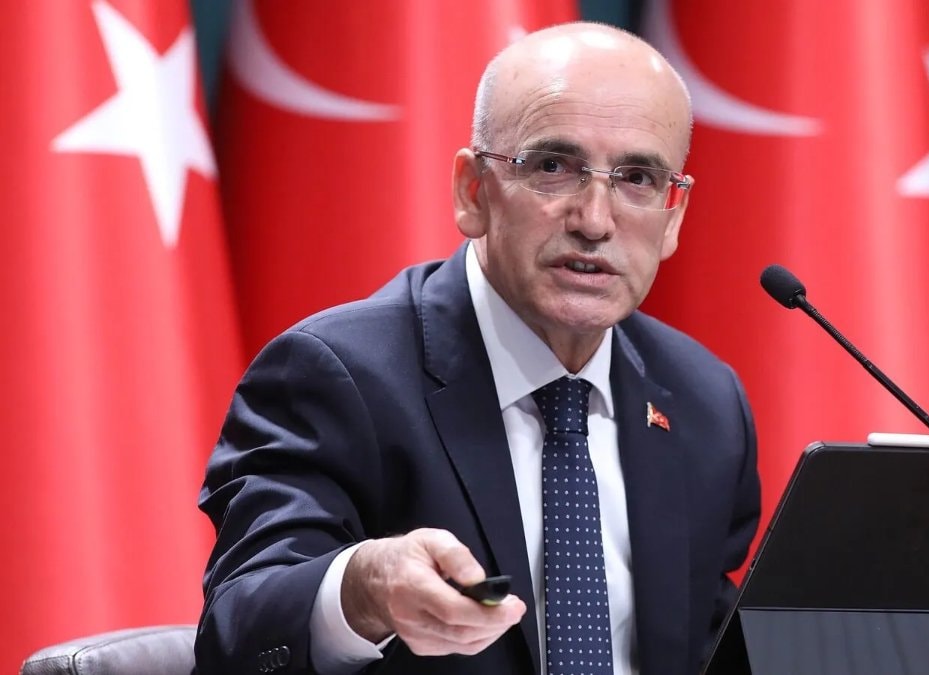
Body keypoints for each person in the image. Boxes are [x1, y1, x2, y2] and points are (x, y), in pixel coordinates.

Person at [195, 21, 760, 675]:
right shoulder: (337, 376)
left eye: (637, 177)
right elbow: (238, 629)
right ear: (473, 191)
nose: (595, 221)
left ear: (673, 215)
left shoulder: (702, 401)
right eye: (553, 167)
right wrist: (363, 586)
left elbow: (710, 642)